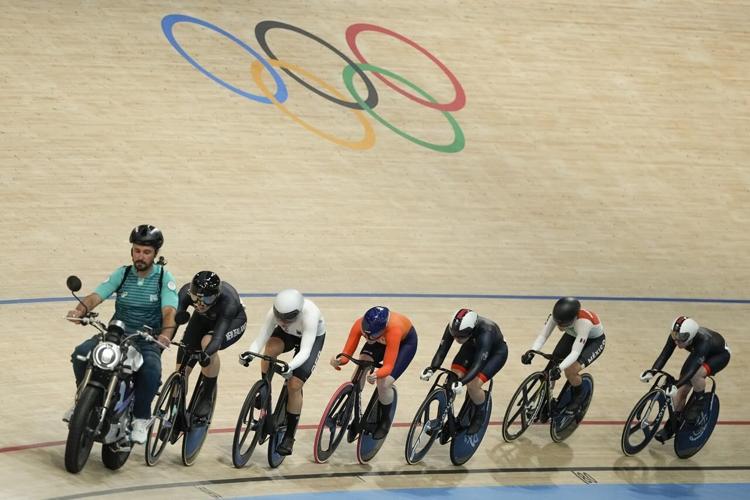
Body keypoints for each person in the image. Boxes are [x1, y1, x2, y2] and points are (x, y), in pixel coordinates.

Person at [66, 224, 178, 444]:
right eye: (137, 250)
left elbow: (169, 311)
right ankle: (82, 401)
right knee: (81, 354)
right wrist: (81, 310)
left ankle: (141, 418)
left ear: (155, 254)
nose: (141, 256)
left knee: (151, 369)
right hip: (116, 334)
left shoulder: (164, 278)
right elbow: (97, 295)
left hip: (146, 338)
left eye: (146, 252)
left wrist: (165, 335)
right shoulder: (123, 273)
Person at [241, 289, 326, 456]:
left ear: (299, 311)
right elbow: (261, 338)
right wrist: (249, 353)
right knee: (270, 350)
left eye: (288, 317)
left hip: (310, 339)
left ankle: (289, 437)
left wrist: (290, 366)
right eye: (279, 316)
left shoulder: (310, 315)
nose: (283, 320)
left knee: (294, 384)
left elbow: (305, 351)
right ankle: (265, 391)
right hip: (287, 335)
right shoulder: (275, 314)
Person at [330, 306, 418, 439]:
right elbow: (347, 353)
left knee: (384, 382)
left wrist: (377, 374)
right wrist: (339, 360)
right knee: (362, 364)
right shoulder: (360, 325)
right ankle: (349, 407)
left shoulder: (394, 330)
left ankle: (384, 421)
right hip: (381, 340)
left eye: (373, 335)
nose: (369, 338)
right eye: (366, 335)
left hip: (404, 344)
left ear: (383, 329)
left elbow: (388, 366)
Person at [642, 316, 731, 442]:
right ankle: (672, 425)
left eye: (682, 338)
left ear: (691, 336)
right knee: (681, 391)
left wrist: (675, 385)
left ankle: (699, 401)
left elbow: (691, 371)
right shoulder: (677, 335)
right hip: (699, 353)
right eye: (675, 336)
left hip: (719, 355)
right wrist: (653, 371)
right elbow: (664, 354)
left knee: (696, 375)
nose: (677, 341)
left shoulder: (703, 341)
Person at [421, 308, 508, 434]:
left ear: (471, 330)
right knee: (451, 379)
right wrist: (432, 368)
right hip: (471, 346)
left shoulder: (487, 331)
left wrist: (463, 381)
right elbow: (442, 350)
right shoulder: (454, 327)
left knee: (473, 386)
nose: (456, 339)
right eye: (454, 335)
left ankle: (480, 413)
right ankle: (440, 419)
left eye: (460, 337)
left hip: (494, 354)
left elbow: (479, 363)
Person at [175, 271, 247, 416]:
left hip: (231, 322)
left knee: (207, 343)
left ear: (217, 295)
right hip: (203, 319)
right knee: (180, 372)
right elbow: (172, 323)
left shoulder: (229, 302)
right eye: (196, 298)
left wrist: (206, 355)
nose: (200, 304)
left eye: (207, 299)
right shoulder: (185, 293)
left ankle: (207, 396)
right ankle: (175, 413)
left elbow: (217, 339)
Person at [521, 297, 605, 414]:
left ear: (574, 319)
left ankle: (579, 395)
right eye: (558, 323)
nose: (560, 327)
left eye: (564, 324)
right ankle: (546, 398)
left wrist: (560, 369)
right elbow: (543, 335)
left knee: (570, 370)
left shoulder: (583, 323)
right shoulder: (556, 316)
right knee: (551, 367)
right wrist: (532, 351)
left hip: (593, 341)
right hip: (573, 335)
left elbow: (575, 352)